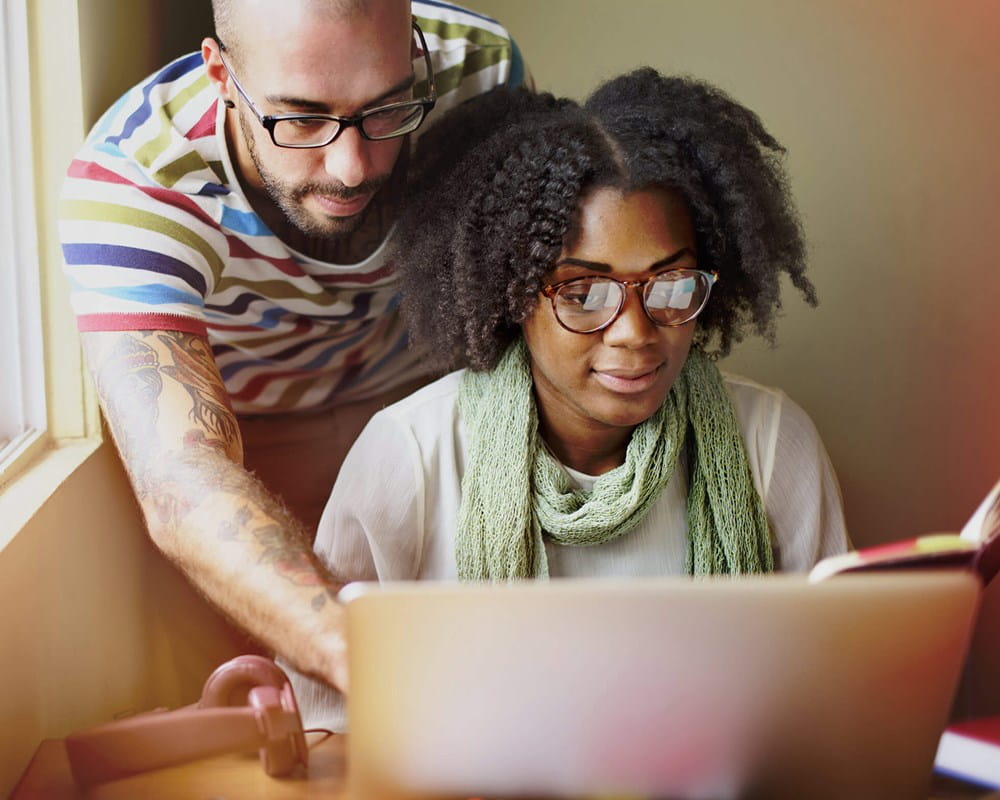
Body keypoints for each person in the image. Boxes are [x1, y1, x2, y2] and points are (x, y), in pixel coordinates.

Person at [288, 70, 851, 727]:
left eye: (669, 283)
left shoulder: (771, 441)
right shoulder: (408, 453)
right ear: (515, 293)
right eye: (584, 293)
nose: (637, 334)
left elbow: (837, 689)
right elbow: (324, 724)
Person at [58, 0, 528, 693]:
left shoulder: (479, 71)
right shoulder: (138, 178)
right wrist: (356, 659)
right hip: (259, 456)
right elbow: (183, 480)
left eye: (388, 109)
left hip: (441, 416)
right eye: (302, 118)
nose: (350, 166)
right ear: (220, 72)